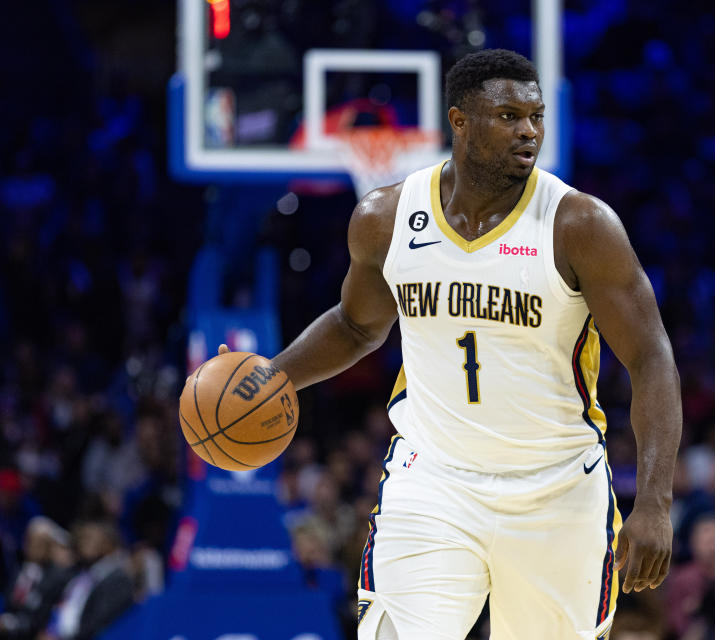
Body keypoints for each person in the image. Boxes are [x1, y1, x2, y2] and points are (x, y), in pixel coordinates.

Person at [208, 48, 682, 638]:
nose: (529, 130)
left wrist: (655, 501)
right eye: (509, 116)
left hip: (556, 492)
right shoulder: (386, 217)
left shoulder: (579, 225)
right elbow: (357, 326)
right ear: (459, 122)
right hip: (431, 481)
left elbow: (651, 358)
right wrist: (273, 376)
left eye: (535, 116)